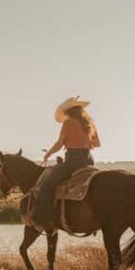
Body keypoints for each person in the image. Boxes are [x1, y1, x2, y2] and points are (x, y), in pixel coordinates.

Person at [33, 96, 101, 228]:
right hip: (89, 160)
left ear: (68, 112)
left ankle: (44, 220)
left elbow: (59, 143)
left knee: (47, 185)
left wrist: (49, 153)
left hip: (73, 161)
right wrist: (85, 140)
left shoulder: (68, 123)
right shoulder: (89, 124)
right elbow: (97, 144)